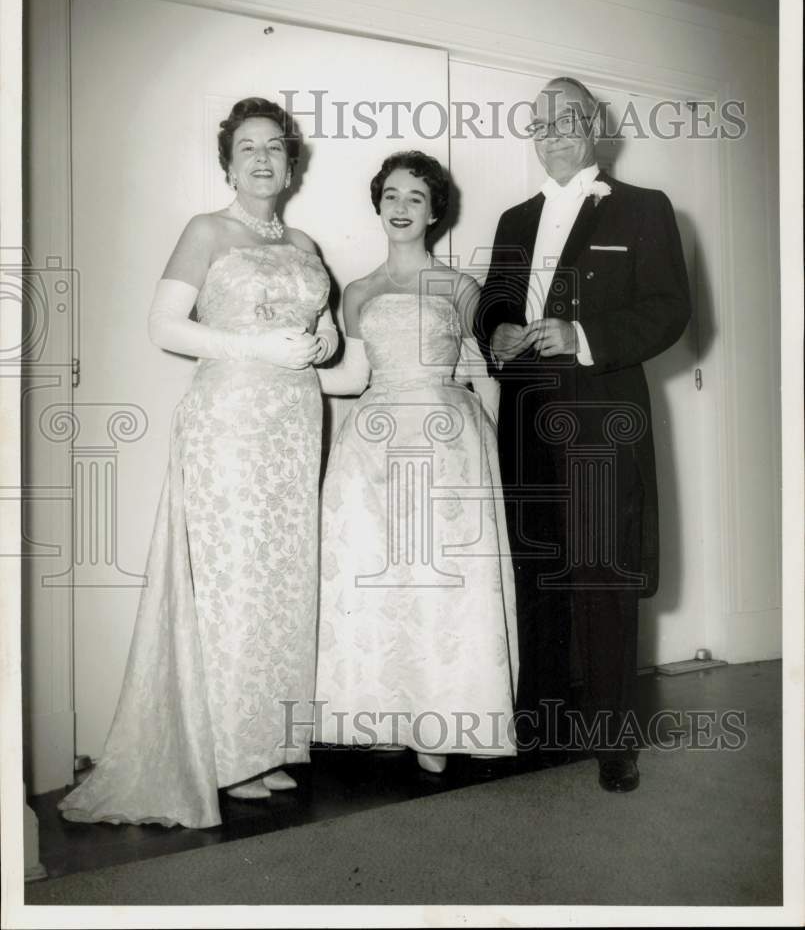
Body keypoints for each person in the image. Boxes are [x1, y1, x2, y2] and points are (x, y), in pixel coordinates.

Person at [58, 97, 337, 828]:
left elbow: (327, 338)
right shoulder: (205, 231)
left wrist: (318, 348)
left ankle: (267, 744)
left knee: (282, 581)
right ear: (227, 161)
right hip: (230, 420)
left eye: (275, 146)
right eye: (247, 147)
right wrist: (256, 347)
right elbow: (163, 326)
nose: (262, 158)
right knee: (230, 580)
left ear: (291, 161)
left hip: (294, 423)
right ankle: (217, 753)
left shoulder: (307, 245)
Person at [475, 77, 691, 792]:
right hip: (525, 418)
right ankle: (538, 723)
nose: (552, 132)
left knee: (601, 575)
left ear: (595, 127)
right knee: (536, 568)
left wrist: (582, 334)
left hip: (600, 415)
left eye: (566, 119)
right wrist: (496, 332)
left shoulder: (643, 209)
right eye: (539, 123)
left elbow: (668, 310)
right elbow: (495, 308)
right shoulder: (511, 220)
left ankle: (611, 741)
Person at [311, 151, 518, 774]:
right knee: (381, 575)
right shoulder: (359, 291)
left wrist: (497, 454)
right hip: (372, 444)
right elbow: (351, 375)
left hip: (444, 439)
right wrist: (290, 365)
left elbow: (487, 374)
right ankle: (386, 714)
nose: (401, 208)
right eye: (392, 196)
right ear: (378, 204)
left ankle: (440, 720)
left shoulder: (457, 286)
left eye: (416, 199)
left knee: (437, 581)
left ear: (434, 214)